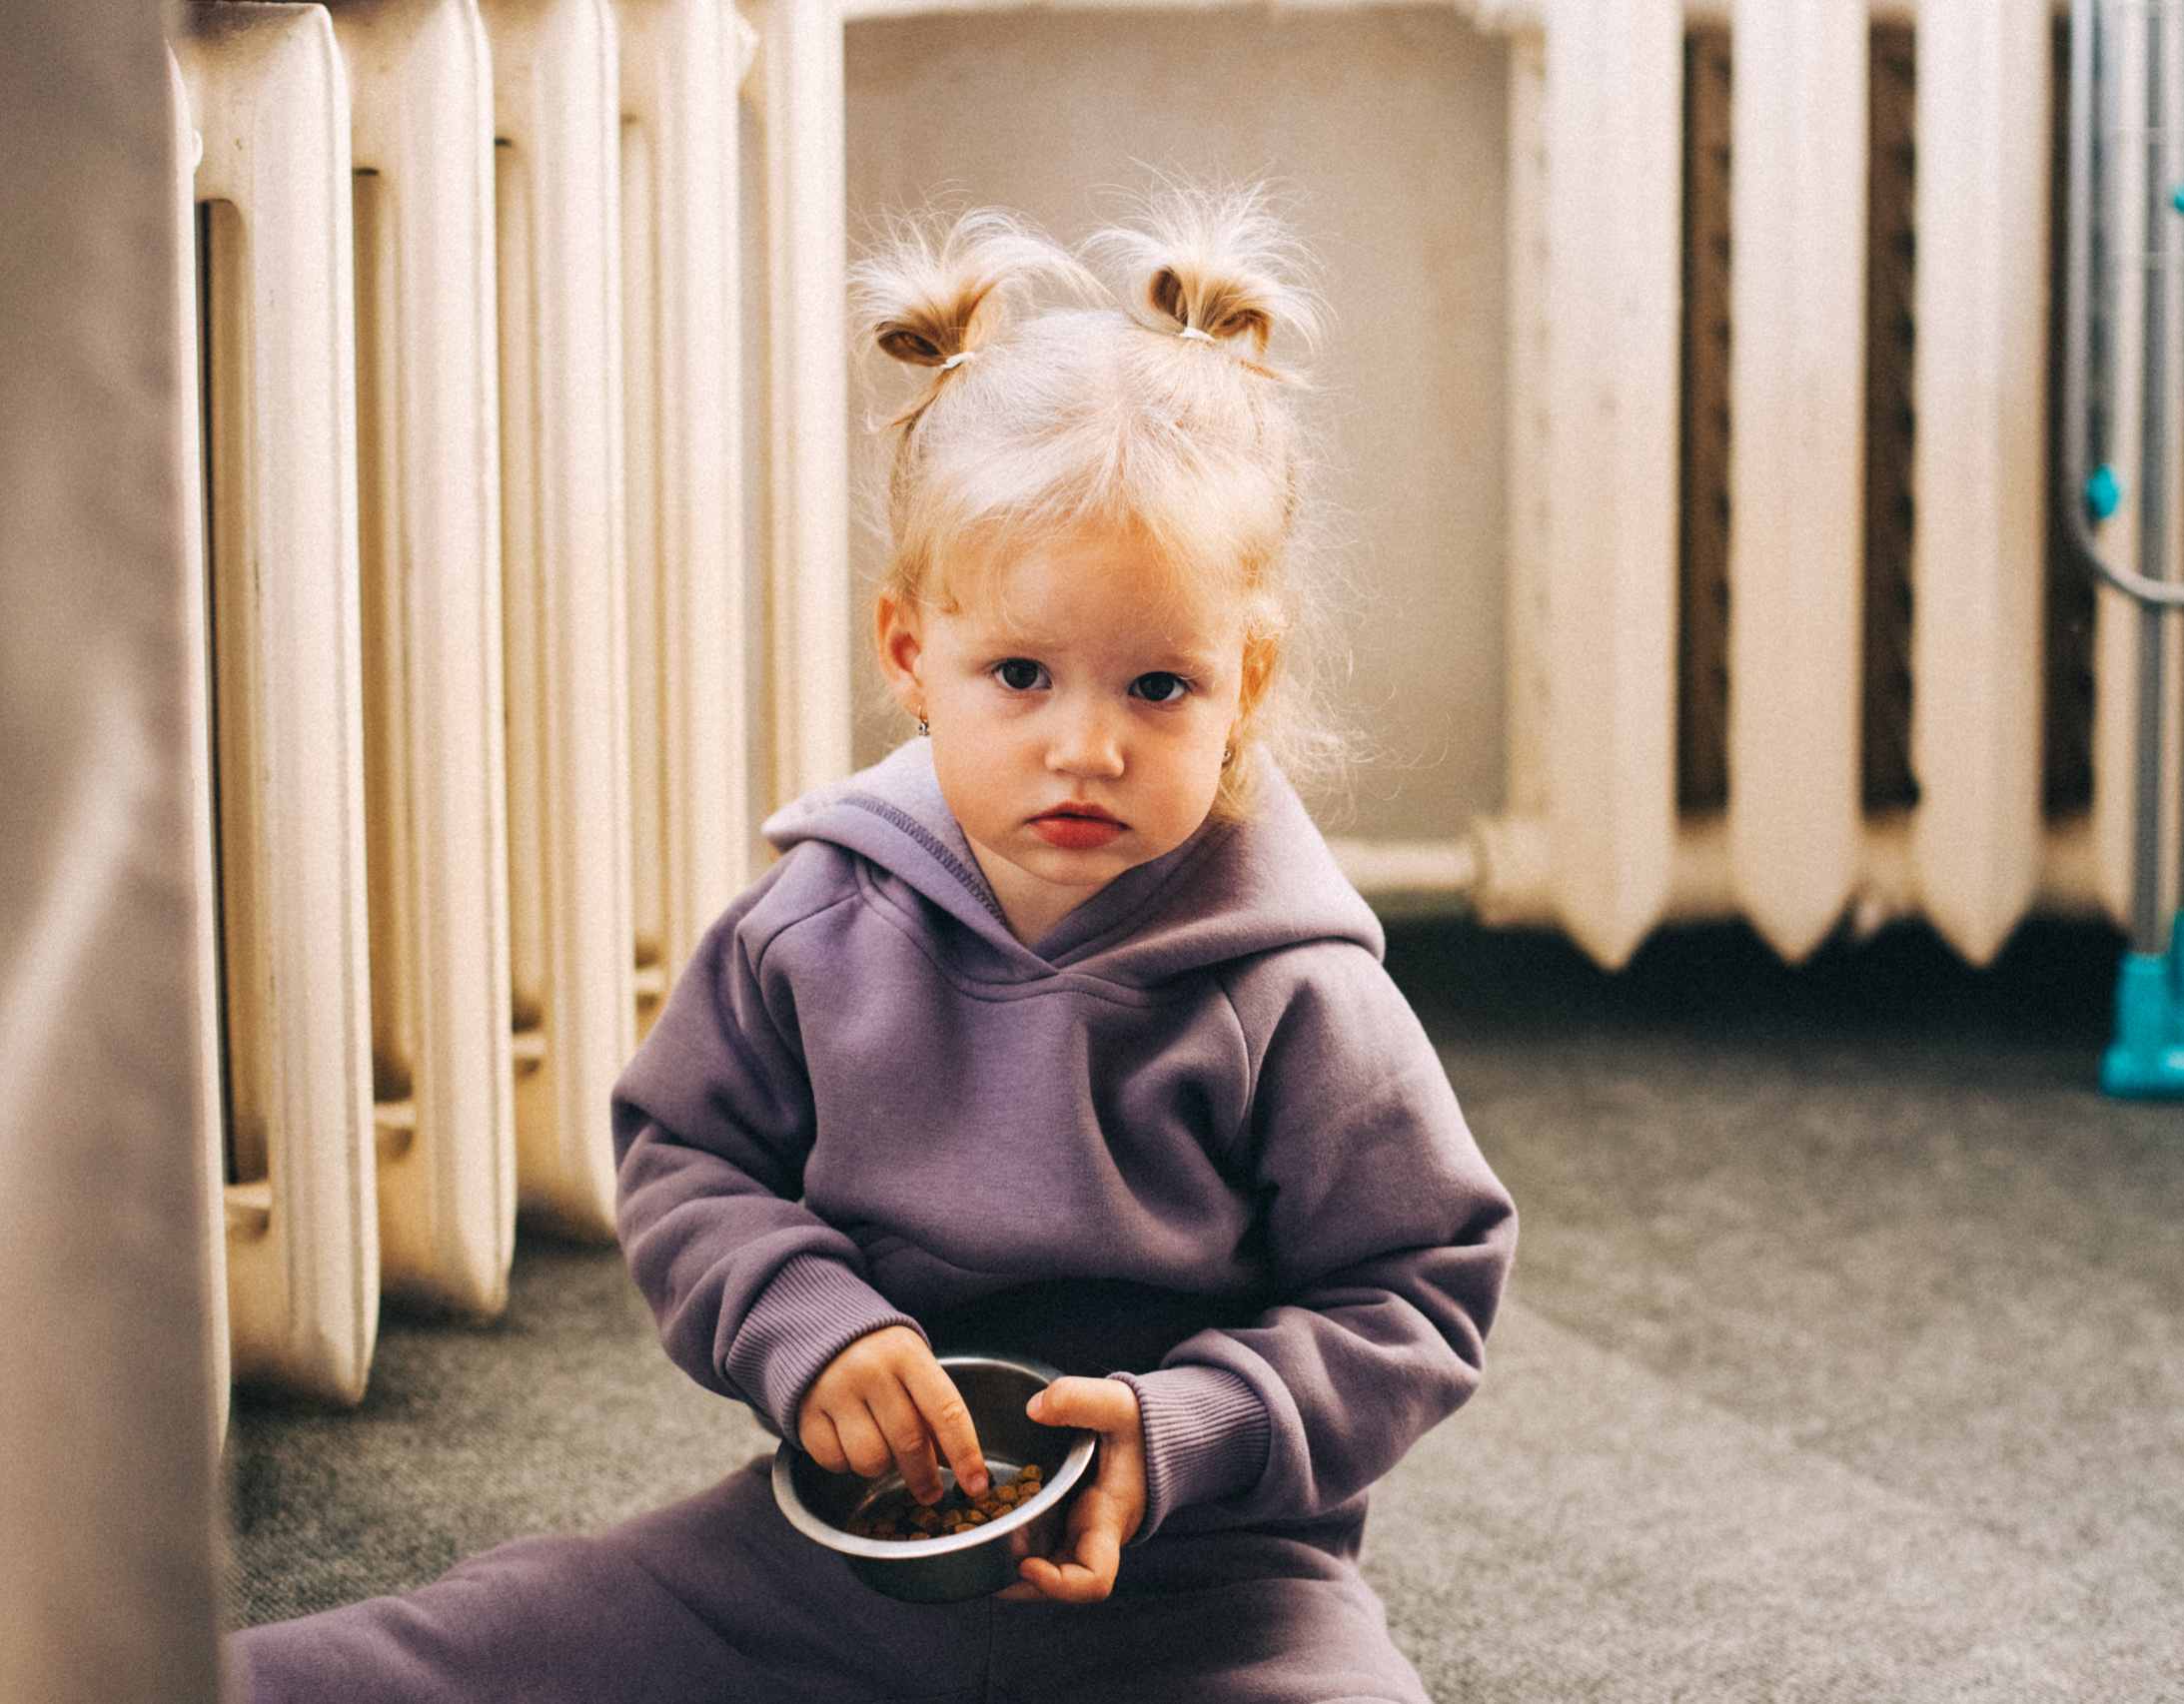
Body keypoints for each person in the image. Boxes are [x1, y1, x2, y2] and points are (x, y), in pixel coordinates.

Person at [233, 186, 1516, 1704]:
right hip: (836, 1554)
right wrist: (812, 1329)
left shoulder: (1296, 987)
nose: (1085, 745)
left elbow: (1420, 1283)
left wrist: (1194, 1428)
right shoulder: (818, 920)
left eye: (1158, 687)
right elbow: (682, 1158)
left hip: (1210, 1580)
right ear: (912, 652)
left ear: (1247, 672)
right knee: (459, 1647)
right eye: (1021, 673)